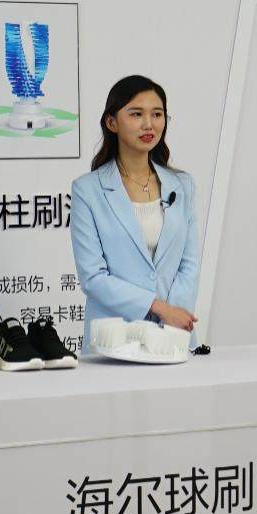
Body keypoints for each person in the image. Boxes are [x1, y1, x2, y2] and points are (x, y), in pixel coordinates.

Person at [70, 75, 200, 348]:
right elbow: (93, 277)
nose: (149, 124)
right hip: (114, 339)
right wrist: (159, 307)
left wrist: (172, 318)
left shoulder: (183, 185)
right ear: (112, 122)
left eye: (157, 114)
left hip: (173, 336)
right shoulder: (88, 190)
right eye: (136, 114)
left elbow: (189, 265)